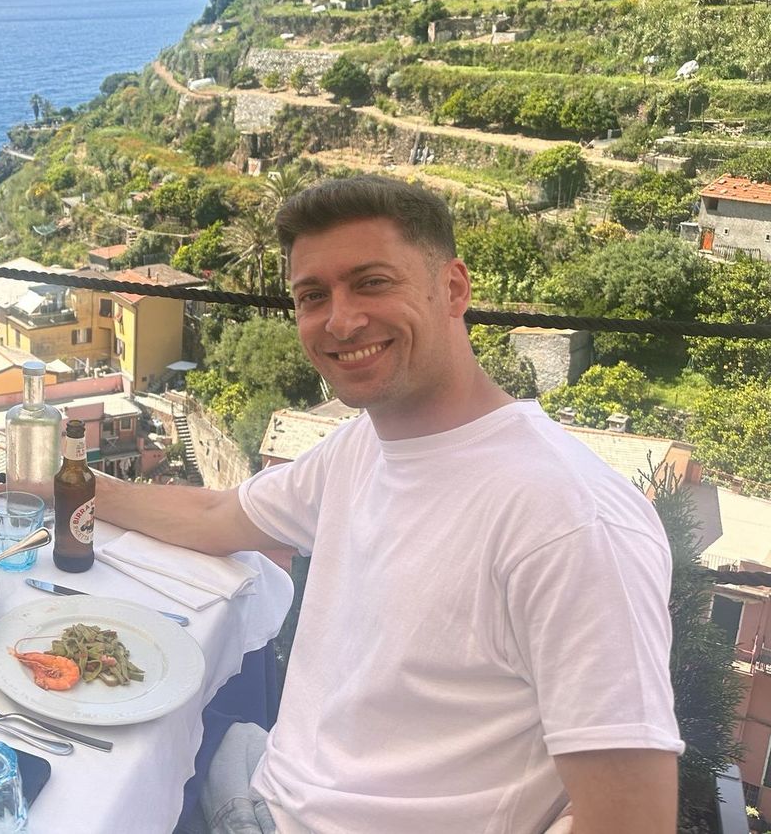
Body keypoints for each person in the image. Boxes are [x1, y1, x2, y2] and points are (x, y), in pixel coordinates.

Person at [98, 176, 682, 834]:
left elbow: (632, 820)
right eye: (312, 296)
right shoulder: (361, 446)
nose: (340, 321)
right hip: (275, 788)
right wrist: (75, 489)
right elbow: (219, 517)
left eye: (372, 282)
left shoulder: (567, 521)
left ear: (453, 288)